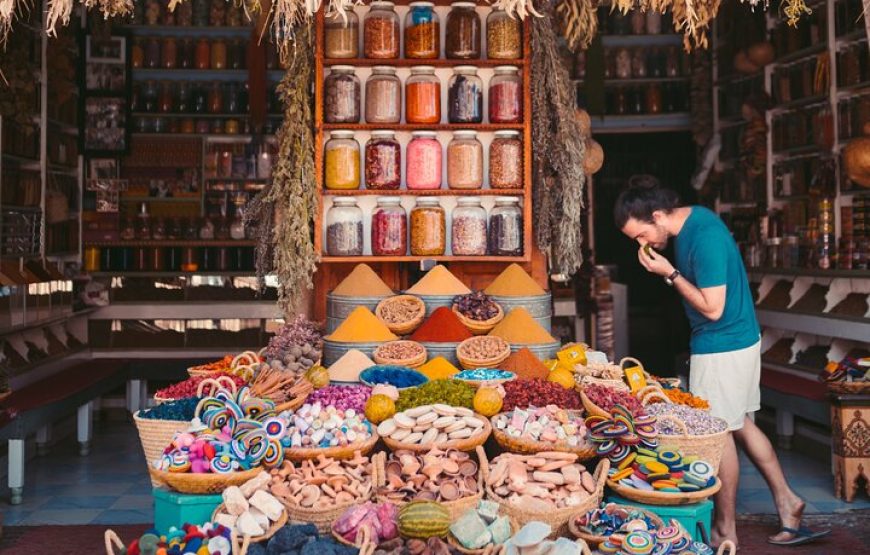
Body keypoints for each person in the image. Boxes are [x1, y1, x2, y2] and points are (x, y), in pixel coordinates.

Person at [613, 175, 830, 549]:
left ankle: (725, 529)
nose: (642, 245)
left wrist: (669, 274)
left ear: (660, 216)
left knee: (718, 434)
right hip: (737, 340)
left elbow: (713, 308)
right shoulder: (693, 223)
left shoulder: (704, 238)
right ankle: (788, 501)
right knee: (740, 424)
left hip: (722, 345)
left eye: (641, 235)